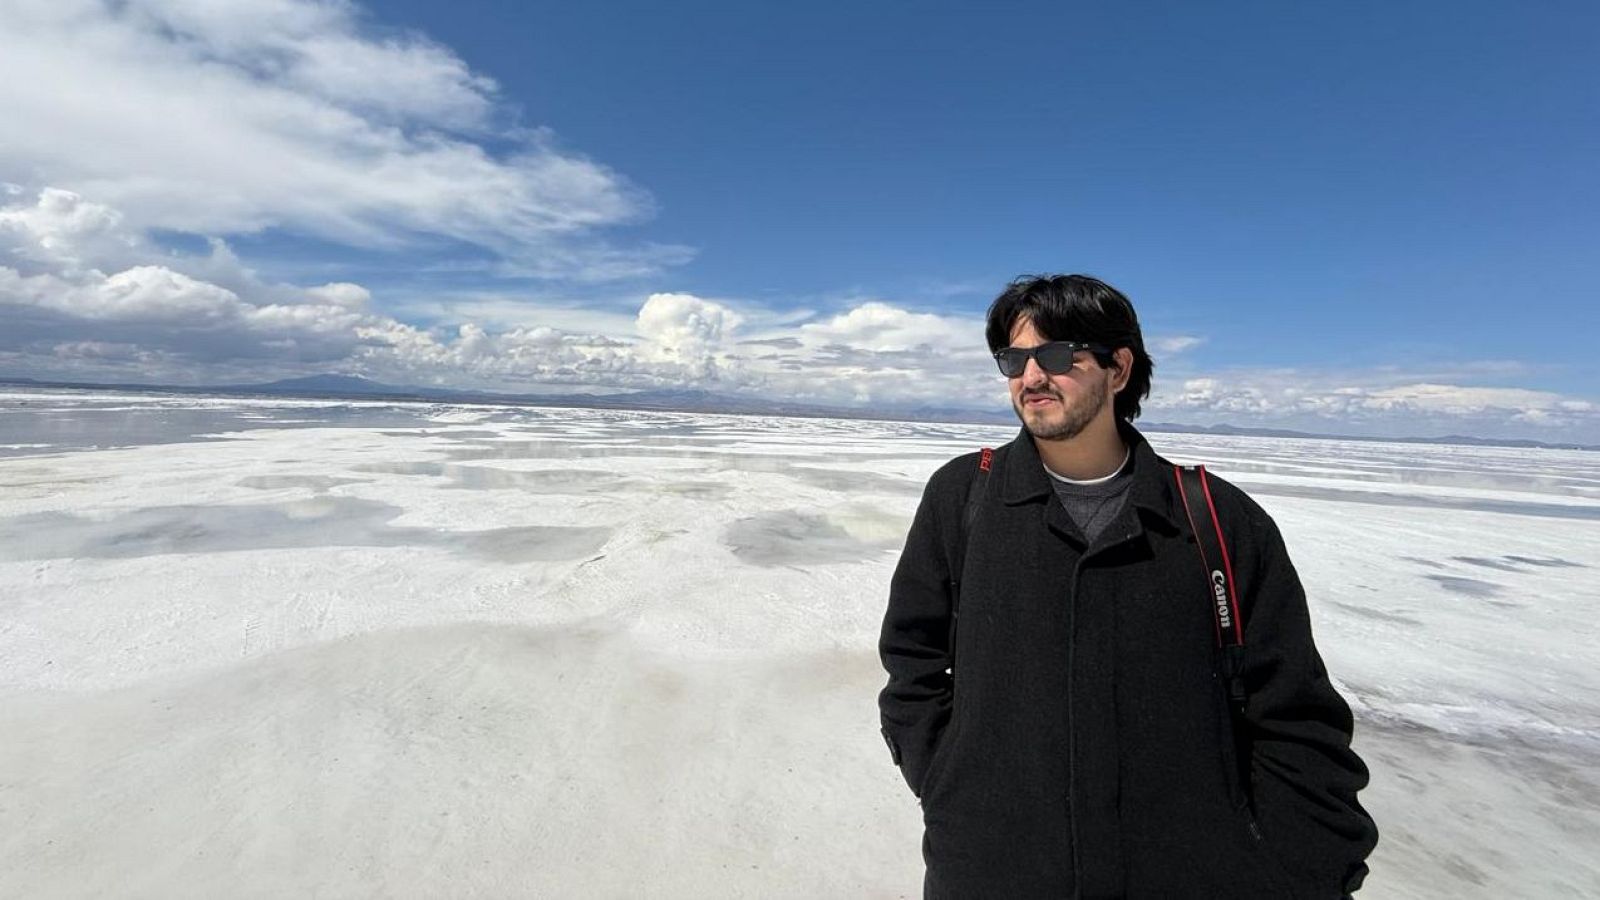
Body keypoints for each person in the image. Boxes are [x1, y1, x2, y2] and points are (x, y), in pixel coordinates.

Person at [877, 274, 1378, 898]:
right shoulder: (964, 498)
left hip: (1189, 875)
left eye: (1057, 356)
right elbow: (912, 662)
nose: (1031, 377)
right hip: (993, 870)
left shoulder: (1218, 521)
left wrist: (1302, 863)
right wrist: (951, 783)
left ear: (1119, 369)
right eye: (1015, 359)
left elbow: (1296, 716)